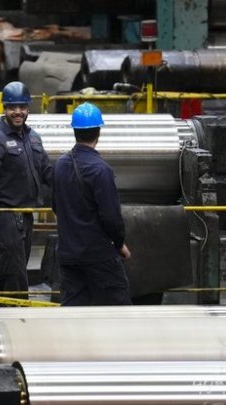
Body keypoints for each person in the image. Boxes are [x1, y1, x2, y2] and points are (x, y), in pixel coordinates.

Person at [0, 81, 54, 297]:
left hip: (26, 216)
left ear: (28, 108)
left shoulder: (33, 137)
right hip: (5, 216)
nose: (17, 112)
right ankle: (18, 316)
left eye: (22, 107)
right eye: (12, 107)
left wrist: (70, 181)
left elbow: (46, 171)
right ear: (4, 108)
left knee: (12, 271)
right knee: (15, 274)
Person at [52, 102, 132, 306]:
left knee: (74, 315)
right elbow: (111, 217)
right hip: (98, 256)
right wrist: (120, 243)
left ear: (75, 131)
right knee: (119, 312)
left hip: (69, 255)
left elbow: (55, 205)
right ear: (98, 131)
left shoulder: (60, 165)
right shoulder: (100, 170)